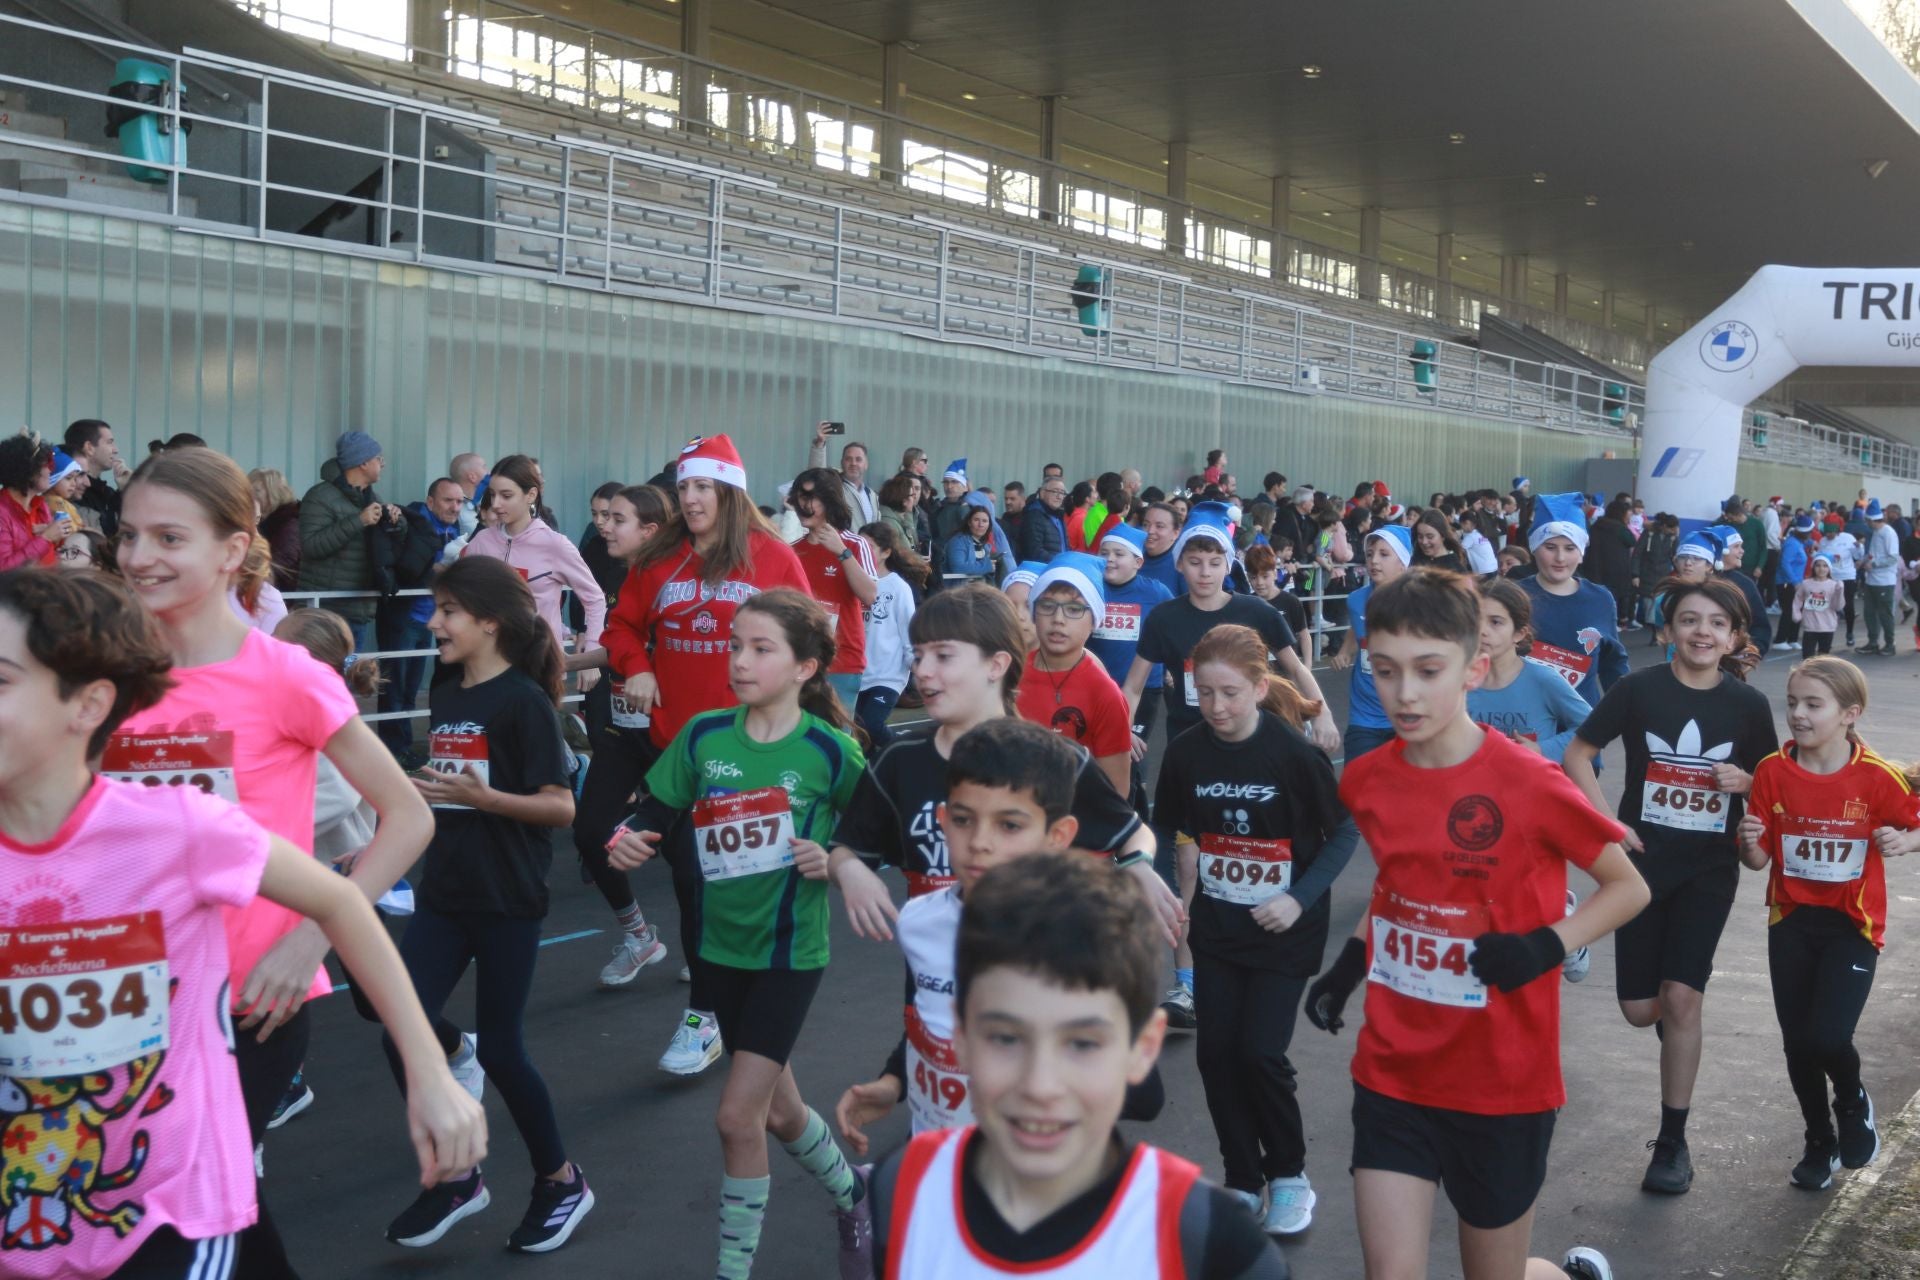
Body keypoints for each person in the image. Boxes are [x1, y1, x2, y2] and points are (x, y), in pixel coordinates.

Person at [0, 568, 485, 1280]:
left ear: (89, 704)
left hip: (170, 1213)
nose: (143, 555)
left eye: (3, 679)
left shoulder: (178, 829)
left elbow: (342, 899)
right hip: (32, 1216)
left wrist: (430, 1073)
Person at [111, 445, 436, 1274]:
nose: (139, 557)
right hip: (126, 995)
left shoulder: (283, 674)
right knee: (205, 1208)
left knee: (184, 1207)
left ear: (231, 548)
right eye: (129, 535)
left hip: (251, 997)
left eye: (168, 538)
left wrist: (313, 935)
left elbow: (405, 817)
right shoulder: (103, 675)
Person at [1302, 568, 1643, 1280]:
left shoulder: (1527, 781)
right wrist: (1349, 965)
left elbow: (1626, 886)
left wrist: (1545, 946)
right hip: (1394, 1067)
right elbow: (1401, 883)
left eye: (1429, 670)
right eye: (1385, 671)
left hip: (1501, 1082)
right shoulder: (1366, 778)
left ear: (1474, 668)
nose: (1406, 693)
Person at [607, 589, 872, 1278]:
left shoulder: (829, 750)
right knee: (780, 1112)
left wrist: (835, 858)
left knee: (735, 1118)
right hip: (716, 951)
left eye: (761, 649)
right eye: (734, 645)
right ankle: (854, 1193)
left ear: (806, 668)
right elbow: (654, 813)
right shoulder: (703, 735)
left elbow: (875, 833)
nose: (741, 661)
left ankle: (732, 1271)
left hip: (787, 955)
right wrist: (629, 840)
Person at [869, 854, 1290, 1278]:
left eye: (1082, 1044)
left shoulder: (1207, 1238)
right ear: (961, 1036)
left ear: (1143, 1049)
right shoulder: (901, 1188)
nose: (1040, 1085)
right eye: (1006, 1038)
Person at [375, 556, 593, 1253]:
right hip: (445, 892)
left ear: (490, 622)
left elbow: (561, 809)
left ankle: (561, 1181)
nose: (433, 623)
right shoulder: (446, 690)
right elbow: (449, 785)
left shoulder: (524, 702)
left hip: (506, 899)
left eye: (446, 611)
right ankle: (458, 1177)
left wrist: (482, 799)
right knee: (397, 1030)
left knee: (502, 1051)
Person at [601, 435, 810, 1074]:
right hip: (676, 750)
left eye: (702, 487)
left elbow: (810, 636)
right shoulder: (659, 558)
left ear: (730, 492)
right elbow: (621, 627)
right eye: (683, 486)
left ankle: (715, 1012)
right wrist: (636, 665)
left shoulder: (772, 557)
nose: (690, 499)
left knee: (726, 887)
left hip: (750, 755)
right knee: (691, 883)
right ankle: (710, 1011)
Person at [1562, 576, 1777, 1195]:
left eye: (1716, 623)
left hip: (1709, 869)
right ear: (1668, 630)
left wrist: (1748, 788)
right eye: (1689, 620)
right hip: (1642, 869)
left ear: (1733, 636)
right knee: (1640, 1011)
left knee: (1683, 999)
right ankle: (1674, 1028)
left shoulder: (1747, 706)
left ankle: (1673, 1143)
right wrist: (1606, 824)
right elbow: (1579, 752)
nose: (1702, 632)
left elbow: (1773, 783)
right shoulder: (1638, 689)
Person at [1155, 624, 1357, 1236]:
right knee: (1217, 1055)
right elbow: (1162, 826)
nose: (1217, 707)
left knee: (1261, 1053)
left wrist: (1298, 898)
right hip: (1218, 925)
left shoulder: (1294, 755)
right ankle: (1242, 1179)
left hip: (1283, 930)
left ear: (1260, 686)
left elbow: (1344, 833)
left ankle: (1291, 1176)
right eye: (1205, 693)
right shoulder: (1188, 751)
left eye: (1231, 694)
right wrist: (1159, 881)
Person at [833, 718, 1085, 1152]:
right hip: (940, 1164)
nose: (980, 842)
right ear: (943, 821)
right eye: (965, 820)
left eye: (1009, 825)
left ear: (1056, 837)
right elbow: (934, 1020)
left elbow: (1143, 1092)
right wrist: (895, 1081)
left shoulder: (1082, 940)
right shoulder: (918, 921)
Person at [1738, 656, 1920, 1189]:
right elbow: (1758, 861)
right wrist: (1750, 843)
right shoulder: (1772, 771)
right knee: (1798, 1043)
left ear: (1849, 713)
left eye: (1813, 704)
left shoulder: (1876, 776)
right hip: (1791, 920)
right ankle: (1819, 1143)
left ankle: (1852, 1098)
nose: (1797, 714)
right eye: (1792, 702)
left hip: (1851, 927)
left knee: (1827, 1035)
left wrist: (1906, 840)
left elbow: (1914, 822)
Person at [461, 454, 607, 678]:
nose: (496, 504)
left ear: (531, 494)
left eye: (506, 495)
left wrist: (592, 651)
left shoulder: (554, 544)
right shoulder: (481, 542)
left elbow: (594, 598)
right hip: (488, 665)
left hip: (539, 667)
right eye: (492, 494)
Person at [1019, 553, 1133, 796]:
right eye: (1047, 606)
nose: (1058, 619)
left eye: (1074, 609)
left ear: (1095, 620)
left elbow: (1116, 794)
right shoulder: (1008, 676)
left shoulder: (1104, 693)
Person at [1518, 492, 1629, 708]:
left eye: (1569, 548)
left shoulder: (1600, 599)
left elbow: (1613, 663)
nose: (1560, 558)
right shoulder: (1515, 597)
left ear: (1581, 553)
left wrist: (1625, 712)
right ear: (1534, 548)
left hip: (1582, 725)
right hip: (1524, 721)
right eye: (1550, 547)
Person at [298, 430, 405, 651]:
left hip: (359, 607)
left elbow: (389, 547)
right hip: (327, 610)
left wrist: (396, 522)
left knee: (351, 681)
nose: (382, 464)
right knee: (328, 680)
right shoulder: (319, 496)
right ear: (363, 463)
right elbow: (311, 546)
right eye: (379, 458)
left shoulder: (373, 498)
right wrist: (358, 521)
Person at [1468, 578, 1593, 767]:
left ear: (1519, 633)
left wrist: (1543, 749)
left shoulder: (1542, 679)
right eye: (1476, 621)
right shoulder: (1458, 682)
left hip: (1531, 789)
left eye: (1495, 622)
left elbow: (1592, 726)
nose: (1482, 631)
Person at [788, 466, 881, 711]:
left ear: (829, 500)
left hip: (843, 662)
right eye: (800, 497)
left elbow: (871, 595)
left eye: (810, 497)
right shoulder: (792, 551)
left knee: (836, 740)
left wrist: (841, 552)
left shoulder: (855, 544)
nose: (803, 505)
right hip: (799, 660)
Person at [1328, 524, 1415, 761]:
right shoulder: (1356, 600)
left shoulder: (1419, 605)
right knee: (1357, 789)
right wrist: (1345, 651)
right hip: (1364, 715)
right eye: (1369, 554)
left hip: (1408, 713)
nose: (1374, 561)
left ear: (1403, 563)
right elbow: (1357, 631)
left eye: (1384, 554)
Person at [858, 520, 922, 750]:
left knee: (872, 726)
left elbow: (908, 630)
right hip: (858, 674)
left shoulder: (897, 587)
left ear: (885, 552)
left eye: (868, 548)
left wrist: (916, 665)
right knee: (857, 732)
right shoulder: (854, 582)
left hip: (887, 674)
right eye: (858, 547)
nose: (860, 553)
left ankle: (902, 750)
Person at [0, 433, 63, 569]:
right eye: (47, 464)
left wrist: (58, 537)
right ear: (27, 470)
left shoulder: (40, 506)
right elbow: (3, 569)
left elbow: (49, 556)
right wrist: (45, 538)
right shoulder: (2, 513)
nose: (51, 470)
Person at [63, 417, 129, 536]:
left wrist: (125, 491)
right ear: (89, 447)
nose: (116, 450)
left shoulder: (107, 493)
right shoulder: (72, 494)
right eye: (110, 442)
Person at [1244, 543, 1309, 664]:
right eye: (1253, 577)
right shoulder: (1246, 604)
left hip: (1287, 673)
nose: (1259, 583)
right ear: (1248, 577)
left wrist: (1307, 668)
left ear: (1274, 573)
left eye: (1265, 576)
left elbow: (1303, 634)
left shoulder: (1291, 601)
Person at [805, 424, 879, 526]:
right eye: (848, 459)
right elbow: (815, 475)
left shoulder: (872, 495)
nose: (853, 463)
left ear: (866, 464)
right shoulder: (834, 487)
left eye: (858, 459)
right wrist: (819, 444)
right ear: (842, 462)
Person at [1583, 499, 1636, 627]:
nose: (1630, 516)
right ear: (1621, 514)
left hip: (1596, 569)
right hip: (1616, 571)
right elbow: (1632, 541)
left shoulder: (1596, 526)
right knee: (1615, 599)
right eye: (1628, 514)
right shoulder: (1620, 529)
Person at [249, 467, 303, 590]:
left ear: (273, 492)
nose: (250, 496)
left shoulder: (289, 524)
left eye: (257, 491)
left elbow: (279, 568)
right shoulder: (265, 522)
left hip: (280, 597)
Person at [1860, 499, 1900, 655]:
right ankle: (1873, 641)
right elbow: (1873, 554)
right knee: (1869, 612)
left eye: (1867, 520)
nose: (1866, 523)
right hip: (1872, 579)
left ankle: (1890, 644)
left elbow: (1893, 558)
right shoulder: (1876, 532)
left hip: (1884, 580)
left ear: (1871, 519)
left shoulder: (1888, 533)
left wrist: (1874, 564)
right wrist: (1863, 561)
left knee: (1885, 613)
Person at [1773, 515, 1814, 652]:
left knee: (1797, 609)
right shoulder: (1792, 543)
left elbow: (1805, 544)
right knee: (1789, 610)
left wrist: (1811, 543)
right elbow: (1785, 563)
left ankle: (1792, 639)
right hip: (1787, 583)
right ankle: (1780, 639)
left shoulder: (1797, 542)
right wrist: (1795, 582)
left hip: (1794, 582)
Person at [944, 502, 1003, 582]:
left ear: (989, 525)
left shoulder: (985, 546)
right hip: (958, 591)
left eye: (985, 521)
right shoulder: (958, 541)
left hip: (980, 589)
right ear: (969, 522)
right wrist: (987, 566)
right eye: (976, 520)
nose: (980, 524)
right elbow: (958, 567)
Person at [1824, 517, 1861, 647]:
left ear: (1838, 530)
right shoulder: (1823, 541)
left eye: (1831, 532)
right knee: (1829, 607)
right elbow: (1819, 557)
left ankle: (1849, 633)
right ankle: (1827, 637)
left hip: (1847, 576)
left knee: (1848, 606)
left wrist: (1859, 547)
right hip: (1830, 577)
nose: (1828, 535)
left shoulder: (1848, 538)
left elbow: (1858, 555)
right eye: (1826, 531)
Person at [1019, 473, 1068, 562]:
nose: (1059, 496)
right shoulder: (1034, 515)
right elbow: (1034, 551)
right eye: (1055, 491)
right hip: (1043, 570)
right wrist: (1058, 562)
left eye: (1062, 493)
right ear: (1042, 493)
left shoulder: (1059, 516)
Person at [877, 474, 921, 559]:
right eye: (912, 495)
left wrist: (908, 514)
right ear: (904, 500)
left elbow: (914, 545)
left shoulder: (899, 518)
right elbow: (906, 556)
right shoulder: (889, 524)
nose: (914, 498)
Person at [932, 459, 975, 544]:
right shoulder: (939, 506)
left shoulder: (969, 507)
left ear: (965, 487)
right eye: (946, 482)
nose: (949, 486)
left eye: (954, 482)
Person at [449, 451, 488, 536]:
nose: (489, 472)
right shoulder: (451, 508)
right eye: (484, 467)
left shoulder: (489, 502)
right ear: (472, 477)